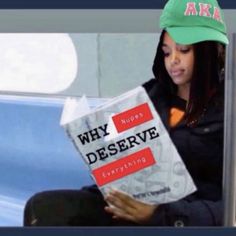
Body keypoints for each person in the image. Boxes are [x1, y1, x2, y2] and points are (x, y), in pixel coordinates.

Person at [23, 0, 228, 226]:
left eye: (184, 50)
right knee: (43, 208)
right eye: (167, 52)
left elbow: (227, 209)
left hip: (181, 219)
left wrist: (161, 214)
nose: (173, 61)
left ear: (214, 50)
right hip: (131, 205)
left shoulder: (228, 109)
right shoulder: (152, 94)